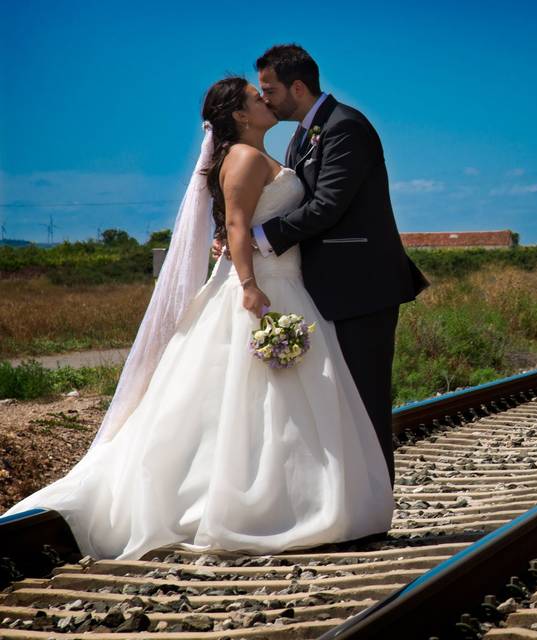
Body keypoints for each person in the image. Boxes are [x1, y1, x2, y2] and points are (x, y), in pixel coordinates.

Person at [1, 76, 395, 560]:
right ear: (240, 115)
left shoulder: (267, 152)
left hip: (289, 285)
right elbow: (234, 223)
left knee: (283, 404)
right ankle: (267, 505)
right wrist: (248, 286)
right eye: (256, 97)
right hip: (265, 288)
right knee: (259, 400)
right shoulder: (246, 158)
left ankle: (296, 501)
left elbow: (240, 223)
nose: (265, 100)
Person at [215, 44, 428, 485]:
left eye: (269, 89)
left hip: (361, 287)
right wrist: (234, 236)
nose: (265, 97)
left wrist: (257, 239)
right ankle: (342, 497)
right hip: (320, 291)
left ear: (297, 86)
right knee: (334, 404)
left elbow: (328, 205)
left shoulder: (345, 127)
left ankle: (374, 502)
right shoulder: (302, 135)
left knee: (365, 400)